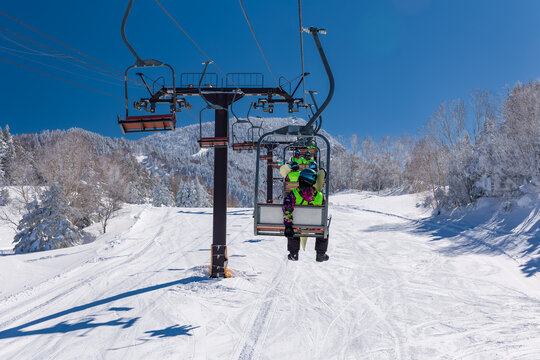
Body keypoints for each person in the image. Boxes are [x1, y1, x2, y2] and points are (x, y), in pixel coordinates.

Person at [282, 168, 329, 262]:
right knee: (324, 230)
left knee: (293, 228)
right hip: (315, 227)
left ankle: (293, 253)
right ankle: (320, 253)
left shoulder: (293, 194)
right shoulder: (320, 196)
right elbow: (323, 212)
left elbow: (287, 209)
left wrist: (288, 225)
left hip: (298, 227)